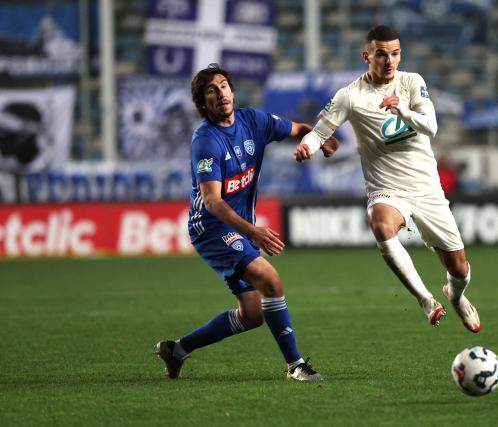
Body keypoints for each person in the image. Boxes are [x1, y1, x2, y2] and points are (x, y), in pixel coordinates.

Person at [155, 63, 338, 381]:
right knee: (271, 281)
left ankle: (177, 350)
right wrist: (254, 231)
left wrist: (318, 139)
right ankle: (296, 366)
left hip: (238, 226)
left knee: (253, 314)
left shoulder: (253, 121)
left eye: (224, 85)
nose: (220, 93)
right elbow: (212, 201)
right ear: (203, 104)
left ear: (233, 92)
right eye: (211, 90)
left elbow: (298, 128)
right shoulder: (206, 141)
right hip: (211, 228)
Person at [293, 25, 481, 333]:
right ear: (367, 56)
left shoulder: (411, 83)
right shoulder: (350, 96)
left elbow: (431, 127)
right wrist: (307, 147)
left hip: (427, 189)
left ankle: (455, 296)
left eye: (394, 53)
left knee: (459, 269)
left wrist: (403, 109)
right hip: (387, 189)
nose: (389, 60)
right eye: (382, 54)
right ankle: (425, 300)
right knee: (379, 222)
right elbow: (320, 132)